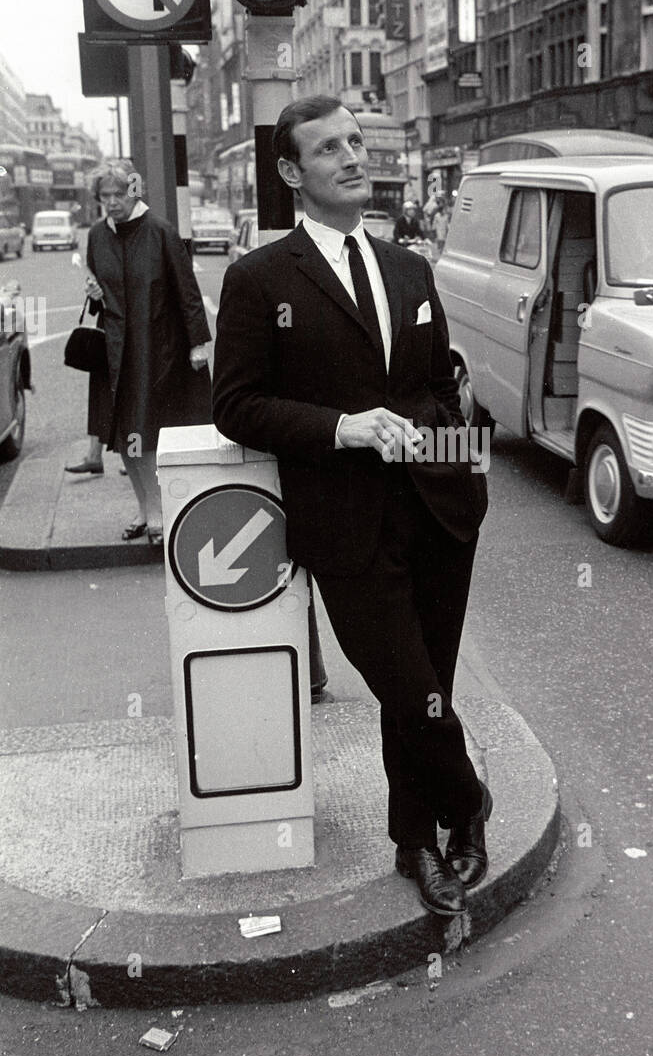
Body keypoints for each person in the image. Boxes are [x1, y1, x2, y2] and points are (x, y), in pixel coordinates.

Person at [212, 96, 490, 917]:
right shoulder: (259, 279)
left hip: (440, 512)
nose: (351, 157)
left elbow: (439, 388)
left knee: (429, 682)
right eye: (328, 148)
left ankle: (418, 842)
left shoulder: (408, 268)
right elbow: (237, 404)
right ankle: (466, 801)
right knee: (407, 689)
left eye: (357, 141)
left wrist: (460, 470)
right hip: (346, 524)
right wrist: (344, 427)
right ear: (293, 175)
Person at [82, 160, 212, 546]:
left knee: (147, 433)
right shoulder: (96, 236)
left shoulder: (160, 232)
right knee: (122, 434)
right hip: (113, 348)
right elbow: (98, 288)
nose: (112, 203)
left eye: (118, 194)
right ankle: (144, 510)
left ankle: (157, 513)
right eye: (104, 196)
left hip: (156, 347)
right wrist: (93, 295)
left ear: (133, 192)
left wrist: (197, 343)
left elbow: (186, 290)